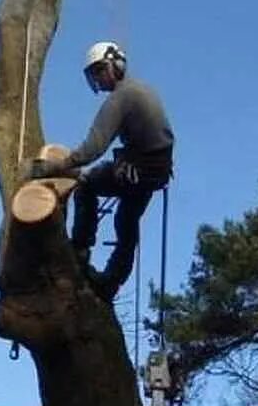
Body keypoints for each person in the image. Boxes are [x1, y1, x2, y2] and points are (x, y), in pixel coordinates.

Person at [29, 41, 174, 300]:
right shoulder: (139, 90)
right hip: (155, 170)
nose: (98, 78)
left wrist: (55, 166)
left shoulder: (122, 97)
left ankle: (80, 252)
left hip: (138, 169)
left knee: (87, 185)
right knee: (127, 221)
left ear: (115, 65)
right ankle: (111, 283)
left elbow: (92, 148)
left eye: (99, 70)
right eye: (93, 73)